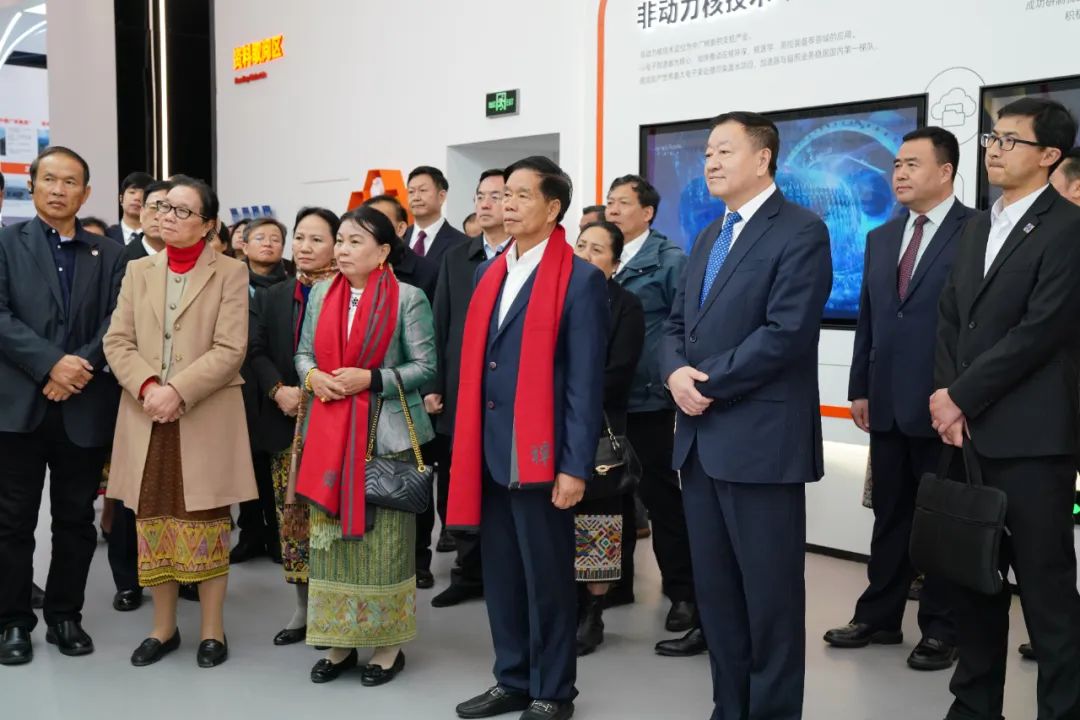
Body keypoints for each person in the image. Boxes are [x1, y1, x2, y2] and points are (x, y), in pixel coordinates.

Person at [660, 111, 832, 720]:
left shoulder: (802, 230)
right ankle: (728, 709)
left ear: (762, 159)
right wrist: (674, 373)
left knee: (770, 600)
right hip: (700, 444)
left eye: (724, 151)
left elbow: (786, 333)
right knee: (718, 599)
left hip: (761, 443)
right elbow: (675, 326)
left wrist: (705, 382)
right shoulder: (709, 234)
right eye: (707, 151)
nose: (710, 161)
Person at [932, 98, 1080, 720]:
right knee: (975, 582)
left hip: (1033, 441)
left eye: (1011, 140)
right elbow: (951, 320)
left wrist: (960, 395)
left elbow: (1040, 332)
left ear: (1049, 155)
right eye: (993, 138)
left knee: (1047, 594)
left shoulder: (1068, 228)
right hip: (968, 435)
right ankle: (973, 708)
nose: (994, 149)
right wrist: (947, 397)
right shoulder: (976, 226)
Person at [450, 156, 607, 720]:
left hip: (540, 455)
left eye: (520, 195)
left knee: (547, 579)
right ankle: (512, 677)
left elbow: (585, 384)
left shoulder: (580, 280)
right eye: (501, 194)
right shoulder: (489, 273)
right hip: (490, 450)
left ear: (553, 207)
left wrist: (573, 466)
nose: (506, 204)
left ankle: (553, 690)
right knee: (504, 577)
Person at [823, 127, 974, 671]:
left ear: (946, 171)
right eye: (896, 165)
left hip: (945, 406)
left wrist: (962, 395)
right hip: (885, 401)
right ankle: (879, 617)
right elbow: (870, 317)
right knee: (889, 515)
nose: (900, 173)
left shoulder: (976, 231)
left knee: (941, 522)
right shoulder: (883, 237)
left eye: (913, 164)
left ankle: (941, 628)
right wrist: (859, 388)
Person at [103, 175, 256, 668]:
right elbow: (117, 341)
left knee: (207, 523)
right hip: (146, 415)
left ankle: (212, 630)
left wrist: (178, 391)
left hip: (204, 416)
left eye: (182, 211)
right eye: (164, 207)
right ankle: (163, 628)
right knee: (152, 522)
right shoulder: (138, 270)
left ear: (208, 225)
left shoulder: (231, 272)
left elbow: (231, 349)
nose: (168, 216)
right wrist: (149, 387)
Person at [294, 206, 436, 685]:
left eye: (355, 241)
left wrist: (371, 378)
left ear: (382, 252)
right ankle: (339, 643)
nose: (342, 249)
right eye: (340, 240)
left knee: (384, 548)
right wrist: (313, 377)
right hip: (329, 437)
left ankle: (388, 647)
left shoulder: (409, 298)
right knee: (331, 546)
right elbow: (303, 353)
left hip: (386, 440)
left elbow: (426, 367)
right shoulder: (320, 293)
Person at [0, 146, 125, 667]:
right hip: (18, 407)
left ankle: (64, 615)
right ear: (31, 184)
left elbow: (119, 322)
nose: (58, 189)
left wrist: (79, 367)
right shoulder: (6, 243)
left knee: (75, 519)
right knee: (12, 521)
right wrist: (52, 365)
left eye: (70, 181)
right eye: (49, 179)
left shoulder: (111, 254)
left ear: (86, 192)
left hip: (84, 404)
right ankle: (12, 620)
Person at [606, 174, 696, 649]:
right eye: (609, 202)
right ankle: (614, 583)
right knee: (608, 496)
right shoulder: (601, 254)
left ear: (647, 213)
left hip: (648, 398)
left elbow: (684, 327)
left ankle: (683, 592)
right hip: (605, 398)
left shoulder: (670, 261)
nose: (613, 209)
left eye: (622, 203)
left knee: (659, 497)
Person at [247, 206, 340, 646]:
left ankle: (336, 608)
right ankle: (303, 609)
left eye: (316, 239)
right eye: (300, 237)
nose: (304, 247)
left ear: (337, 245)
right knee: (294, 520)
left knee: (333, 520)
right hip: (289, 423)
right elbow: (256, 349)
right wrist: (277, 390)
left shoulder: (349, 293)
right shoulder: (275, 295)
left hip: (339, 423)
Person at [429, 168, 512, 608]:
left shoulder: (523, 256)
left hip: (506, 392)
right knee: (459, 480)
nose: (485, 203)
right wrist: (435, 385)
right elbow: (441, 324)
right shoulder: (457, 257)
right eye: (480, 195)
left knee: (500, 482)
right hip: (461, 390)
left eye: (496, 195)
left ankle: (502, 572)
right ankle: (467, 570)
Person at [571, 220, 645, 656]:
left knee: (598, 523)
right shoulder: (554, 296)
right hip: (553, 427)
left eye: (596, 250)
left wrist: (568, 392)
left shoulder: (625, 306)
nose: (584, 254)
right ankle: (564, 606)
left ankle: (592, 613)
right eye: (581, 245)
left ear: (615, 264)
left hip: (599, 428)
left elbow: (618, 373)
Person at [105, 178, 174, 614]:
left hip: (184, 395)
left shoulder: (202, 264)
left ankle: (181, 572)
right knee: (132, 492)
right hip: (132, 390)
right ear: (140, 212)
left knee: (177, 491)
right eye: (154, 206)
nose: (162, 215)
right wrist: (143, 383)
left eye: (171, 207)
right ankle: (128, 579)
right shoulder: (122, 258)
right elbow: (111, 328)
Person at [233, 217, 293, 564]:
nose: (268, 243)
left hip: (276, 380)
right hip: (237, 382)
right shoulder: (229, 280)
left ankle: (277, 535)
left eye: (275, 238)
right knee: (246, 461)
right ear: (243, 244)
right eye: (260, 237)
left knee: (275, 459)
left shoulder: (292, 283)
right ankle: (250, 533)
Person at [363, 193, 437, 302]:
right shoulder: (356, 268)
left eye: (379, 221)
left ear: (400, 228)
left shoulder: (430, 272)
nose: (370, 228)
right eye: (366, 223)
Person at [404, 165, 469, 270]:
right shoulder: (397, 238)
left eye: (423, 190)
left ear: (441, 196)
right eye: (411, 191)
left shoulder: (462, 244)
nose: (415, 197)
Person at [106, 171, 154, 245]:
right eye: (132, 192)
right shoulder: (106, 235)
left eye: (144, 194)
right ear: (121, 198)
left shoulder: (158, 237)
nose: (137, 198)